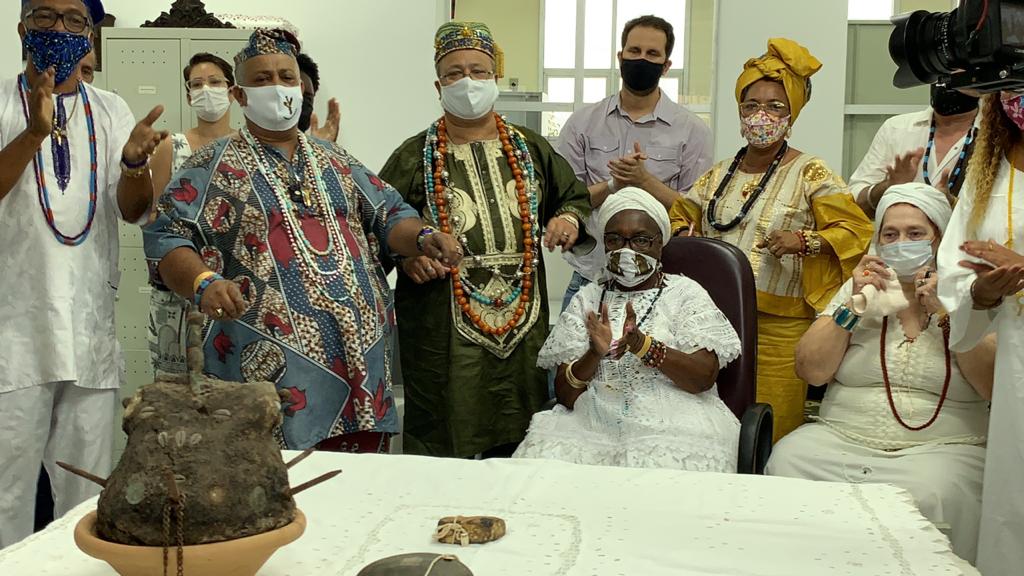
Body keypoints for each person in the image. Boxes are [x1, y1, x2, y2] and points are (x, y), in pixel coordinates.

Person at [143, 28, 462, 454]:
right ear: (239, 96)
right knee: (273, 491)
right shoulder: (209, 165)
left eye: (286, 77)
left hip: (360, 366)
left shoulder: (337, 160)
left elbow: (389, 214)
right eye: (261, 80)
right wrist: (202, 282)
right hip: (265, 371)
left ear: (301, 86)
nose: (277, 88)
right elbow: (166, 237)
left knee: (361, 491)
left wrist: (424, 237)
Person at [379, 21, 591, 458]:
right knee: (445, 425)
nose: (467, 82)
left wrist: (568, 219)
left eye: (478, 71)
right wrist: (405, 260)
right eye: (455, 73)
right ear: (439, 85)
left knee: (520, 423)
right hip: (442, 317)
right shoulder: (413, 155)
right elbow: (377, 224)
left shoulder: (531, 149)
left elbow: (573, 196)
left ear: (495, 78)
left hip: (523, 315)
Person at [0, 0, 168, 548]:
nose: (59, 29)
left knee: (85, 499)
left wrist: (137, 165)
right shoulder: (0, 100)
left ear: (91, 36)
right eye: (45, 16)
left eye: (75, 20)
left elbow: (133, 208)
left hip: (89, 333)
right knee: (8, 497)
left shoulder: (111, 108)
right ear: (21, 26)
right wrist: (32, 134)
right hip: (13, 340)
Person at [768, 183, 994, 563]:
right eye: (890, 234)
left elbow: (992, 385)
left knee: (935, 490)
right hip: (841, 438)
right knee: (789, 459)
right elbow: (812, 371)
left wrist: (946, 315)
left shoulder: (969, 294)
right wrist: (853, 308)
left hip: (944, 448)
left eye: (915, 233)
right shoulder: (859, 286)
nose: (901, 242)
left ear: (939, 238)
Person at [668, 38, 873, 441]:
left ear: (792, 113)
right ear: (740, 112)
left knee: (771, 428)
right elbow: (681, 215)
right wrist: (681, 235)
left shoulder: (812, 172)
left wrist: (806, 241)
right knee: (713, 423)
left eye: (775, 107)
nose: (762, 115)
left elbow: (855, 231)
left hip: (781, 328)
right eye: (752, 105)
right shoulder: (718, 174)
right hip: (715, 322)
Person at [513, 187, 741, 471]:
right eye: (614, 239)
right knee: (540, 471)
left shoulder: (685, 294)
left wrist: (644, 346)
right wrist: (593, 355)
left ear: (660, 244)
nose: (626, 250)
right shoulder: (588, 298)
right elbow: (566, 396)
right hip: (592, 422)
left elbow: (703, 378)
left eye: (641, 240)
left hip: (675, 421)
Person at [556, 14, 712, 309]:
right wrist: (613, 184)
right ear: (620, 57)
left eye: (652, 54)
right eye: (634, 52)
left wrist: (645, 182)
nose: (642, 59)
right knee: (570, 356)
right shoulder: (581, 124)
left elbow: (695, 215)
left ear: (665, 66)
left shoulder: (693, 131)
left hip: (662, 282)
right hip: (591, 277)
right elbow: (565, 201)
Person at [937, 91, 1024, 576]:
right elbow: (954, 271)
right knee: (1015, 504)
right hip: (1017, 368)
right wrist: (983, 293)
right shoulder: (989, 171)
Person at [145, 53, 237, 378]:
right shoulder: (172, 146)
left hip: (232, 295)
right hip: (177, 297)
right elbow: (153, 222)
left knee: (232, 403)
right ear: (188, 95)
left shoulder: (245, 147)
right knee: (175, 404)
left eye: (215, 82)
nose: (206, 90)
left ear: (232, 91)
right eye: (197, 84)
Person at [850, 85, 980, 218]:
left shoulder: (995, 134)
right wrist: (888, 187)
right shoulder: (896, 128)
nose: (945, 82)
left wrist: (951, 204)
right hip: (899, 236)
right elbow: (852, 205)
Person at [296, 52, 340, 142]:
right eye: (297, 93)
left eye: (308, 97)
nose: (302, 101)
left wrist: (321, 150)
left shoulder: (317, 151)